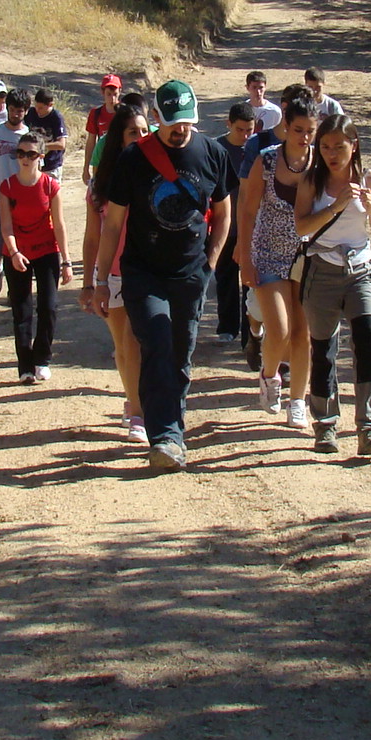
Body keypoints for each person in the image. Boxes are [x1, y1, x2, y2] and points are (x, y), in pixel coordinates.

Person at [91, 80, 237, 472]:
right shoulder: (134, 160)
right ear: (156, 118)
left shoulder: (211, 153)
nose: (180, 130)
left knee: (179, 353)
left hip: (190, 273)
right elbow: (113, 224)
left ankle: (174, 428)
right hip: (143, 272)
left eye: (187, 122)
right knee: (155, 341)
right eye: (173, 123)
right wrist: (101, 280)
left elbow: (223, 213)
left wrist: (210, 262)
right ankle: (166, 437)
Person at [295, 113, 371, 454]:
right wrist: (335, 207)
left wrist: (370, 208)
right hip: (322, 270)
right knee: (323, 349)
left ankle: (370, 427)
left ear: (354, 145)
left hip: (361, 270)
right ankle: (325, 425)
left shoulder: (370, 179)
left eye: (339, 146)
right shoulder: (312, 182)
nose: (332, 154)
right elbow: (302, 227)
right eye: (325, 147)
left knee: (368, 341)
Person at [238, 88, 318, 429]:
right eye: (298, 130)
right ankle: (269, 376)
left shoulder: (321, 164)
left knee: (303, 333)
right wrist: (244, 255)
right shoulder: (267, 160)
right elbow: (247, 209)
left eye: (310, 131)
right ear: (286, 126)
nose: (304, 138)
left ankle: (298, 402)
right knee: (280, 329)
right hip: (268, 254)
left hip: (308, 258)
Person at [82, 95, 148, 443]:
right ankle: (133, 402)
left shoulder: (156, 176)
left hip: (147, 271)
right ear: (119, 139)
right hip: (113, 274)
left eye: (144, 131)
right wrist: (89, 282)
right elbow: (92, 239)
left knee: (137, 340)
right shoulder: (101, 187)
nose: (139, 138)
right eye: (132, 133)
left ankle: (139, 412)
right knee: (123, 345)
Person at [0, 131, 68, 386]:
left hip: (47, 250)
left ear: (41, 156)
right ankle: (25, 366)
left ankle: (43, 359)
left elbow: (59, 225)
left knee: (49, 307)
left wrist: (66, 260)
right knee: (22, 310)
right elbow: (6, 226)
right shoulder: (7, 186)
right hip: (17, 252)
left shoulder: (50, 186)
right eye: (20, 153)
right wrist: (14, 252)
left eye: (30, 154)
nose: (24, 158)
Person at [0, 88, 31, 298]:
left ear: (26, 111)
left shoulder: (28, 137)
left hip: (20, 199)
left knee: (19, 244)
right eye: (12, 109)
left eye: (19, 110)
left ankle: (16, 288)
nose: (15, 114)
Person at [214, 101, 256, 342]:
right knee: (226, 277)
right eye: (240, 130)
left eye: (250, 129)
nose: (245, 135)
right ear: (228, 124)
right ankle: (227, 326)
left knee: (251, 280)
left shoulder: (258, 150)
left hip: (251, 226)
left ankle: (251, 330)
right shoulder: (217, 148)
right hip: (225, 226)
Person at [81, 74, 122, 185]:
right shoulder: (96, 113)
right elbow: (91, 142)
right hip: (102, 162)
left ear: (120, 92)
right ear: (102, 92)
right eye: (109, 94)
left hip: (122, 161)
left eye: (115, 94)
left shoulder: (125, 113)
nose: (112, 99)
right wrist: (86, 168)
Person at [29, 86, 70, 176]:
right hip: (33, 165)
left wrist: (39, 146)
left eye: (41, 108)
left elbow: (61, 145)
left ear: (50, 105)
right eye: (36, 106)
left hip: (51, 166)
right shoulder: (31, 113)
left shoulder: (56, 118)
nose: (37, 110)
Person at [244, 71, 282, 135]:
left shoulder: (275, 111)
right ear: (247, 88)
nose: (258, 92)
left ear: (265, 88)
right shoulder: (243, 109)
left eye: (261, 88)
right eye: (254, 87)